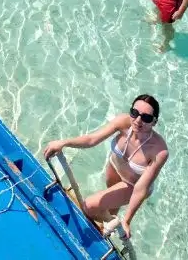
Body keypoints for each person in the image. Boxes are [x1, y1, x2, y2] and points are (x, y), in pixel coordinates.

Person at [42, 95, 169, 240]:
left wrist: (127, 221)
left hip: (133, 185)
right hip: (114, 168)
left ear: (154, 122)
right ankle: (106, 230)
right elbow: (92, 139)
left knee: (89, 206)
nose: (138, 120)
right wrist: (63, 142)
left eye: (146, 118)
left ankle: (113, 225)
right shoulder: (123, 122)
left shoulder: (159, 151)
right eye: (134, 113)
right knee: (109, 207)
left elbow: (141, 188)